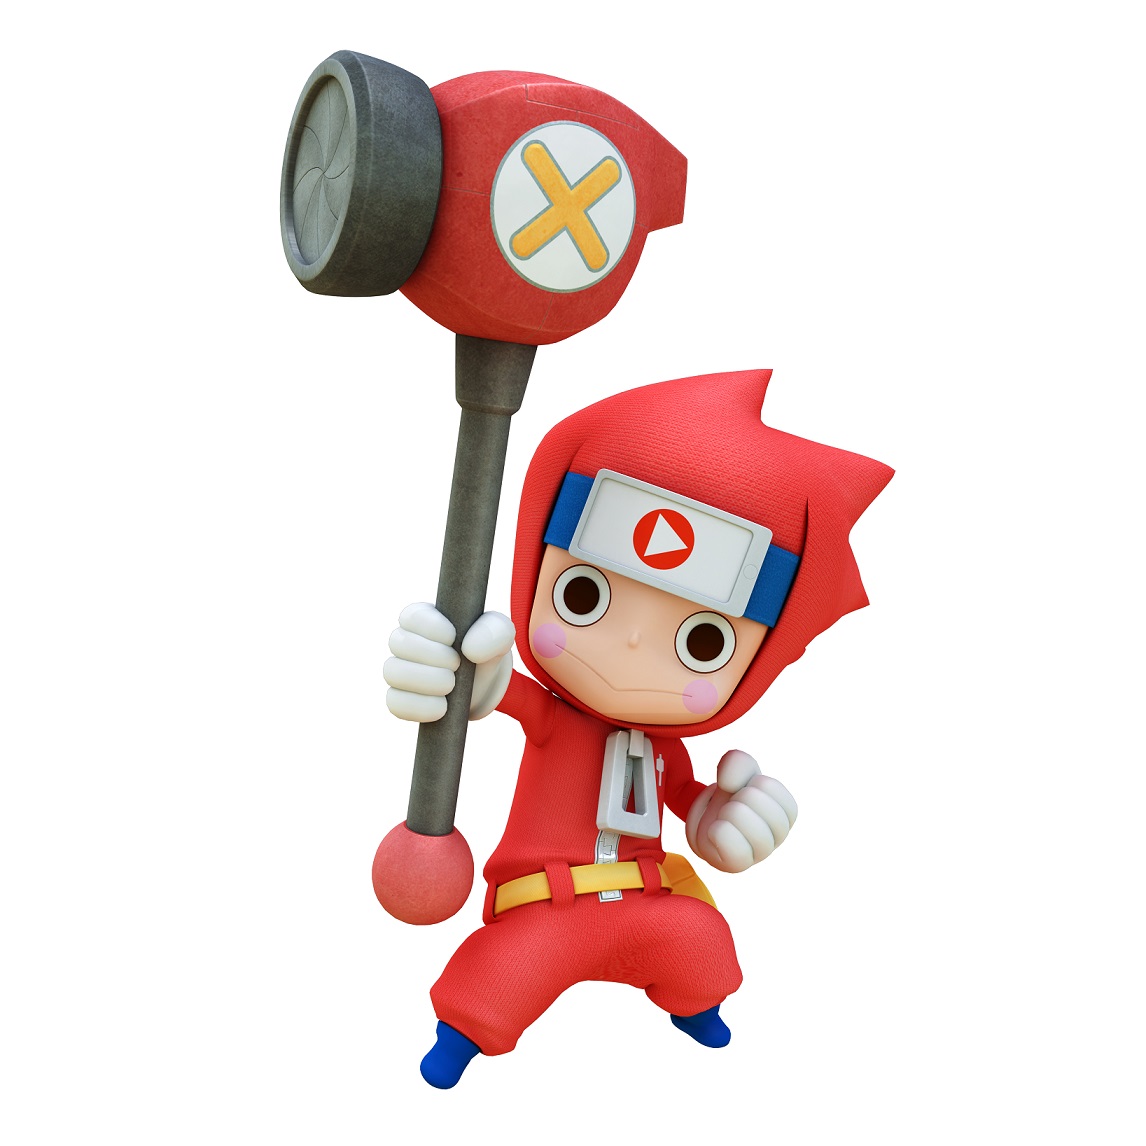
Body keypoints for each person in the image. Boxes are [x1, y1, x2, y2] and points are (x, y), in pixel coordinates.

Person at [384, 369, 893, 1087]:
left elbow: (684, 796)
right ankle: (460, 1039)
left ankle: (697, 1008)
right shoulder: (555, 719)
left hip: (650, 901)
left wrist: (715, 816)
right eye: (583, 594)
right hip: (545, 906)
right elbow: (496, 695)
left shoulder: (665, 750)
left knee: (698, 940)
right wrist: (458, 675)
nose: (628, 645)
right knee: (500, 975)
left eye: (703, 641)